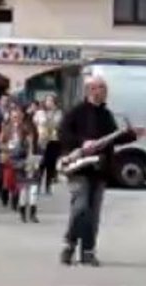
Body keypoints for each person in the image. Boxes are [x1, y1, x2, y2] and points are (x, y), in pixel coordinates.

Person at [59, 74, 141, 266]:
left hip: (100, 169)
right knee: (80, 208)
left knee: (93, 213)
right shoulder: (76, 112)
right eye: (101, 88)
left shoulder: (106, 115)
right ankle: (69, 245)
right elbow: (63, 134)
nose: (104, 93)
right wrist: (82, 142)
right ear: (91, 90)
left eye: (105, 89)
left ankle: (88, 251)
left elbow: (113, 139)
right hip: (80, 168)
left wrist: (133, 135)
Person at [7, 107, 42, 223]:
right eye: (28, 134)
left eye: (32, 134)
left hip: (34, 169)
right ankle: (22, 213)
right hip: (22, 170)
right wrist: (23, 164)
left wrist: (38, 161)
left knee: (33, 191)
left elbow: (42, 156)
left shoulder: (38, 147)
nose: (30, 137)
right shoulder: (19, 147)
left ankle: (33, 213)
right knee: (23, 191)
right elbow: (13, 159)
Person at [35, 94, 64, 194]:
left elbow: (58, 123)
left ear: (55, 102)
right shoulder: (39, 112)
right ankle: (37, 186)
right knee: (40, 164)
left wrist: (49, 120)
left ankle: (48, 186)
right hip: (42, 141)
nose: (49, 102)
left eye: (51, 101)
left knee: (51, 165)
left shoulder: (58, 113)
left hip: (53, 141)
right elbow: (35, 122)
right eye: (47, 100)